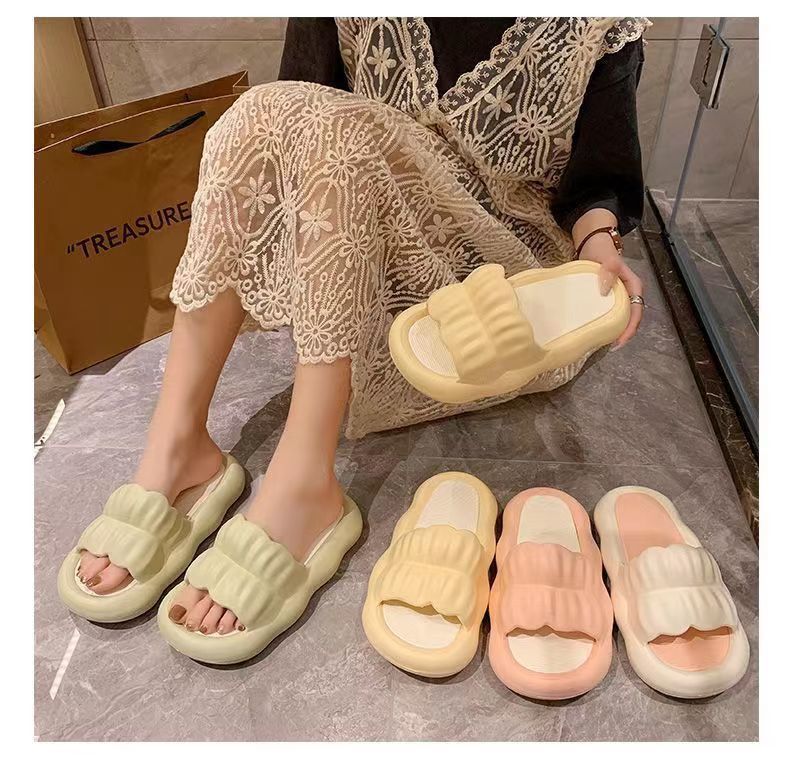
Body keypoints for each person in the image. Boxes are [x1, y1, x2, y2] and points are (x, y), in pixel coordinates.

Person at [76, 17, 648, 635]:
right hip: (372, 265)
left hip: (501, 296)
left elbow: (599, 179)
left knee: (336, 131)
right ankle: (177, 443)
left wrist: (599, 244)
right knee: (258, 111)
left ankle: (304, 484)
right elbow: (296, 112)